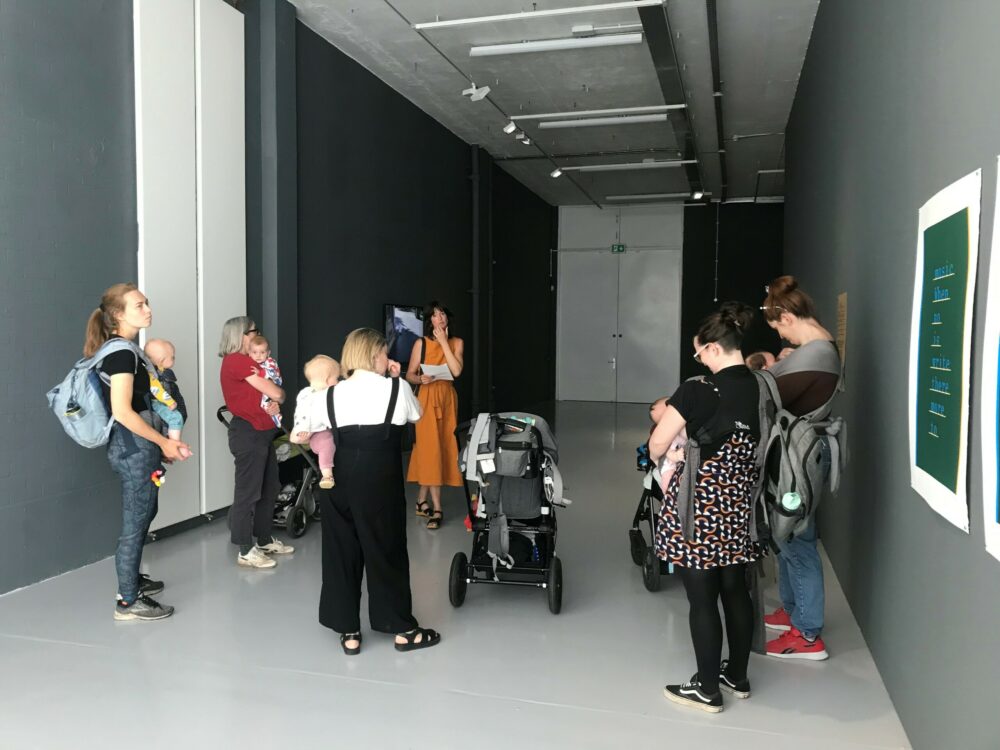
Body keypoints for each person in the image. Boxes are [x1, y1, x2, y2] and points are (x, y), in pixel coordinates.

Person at [649, 302, 763, 713]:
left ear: (713, 349)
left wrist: (667, 454)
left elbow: (658, 443)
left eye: (698, 353)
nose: (698, 360)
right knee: (736, 589)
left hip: (699, 508)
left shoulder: (697, 389)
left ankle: (707, 689)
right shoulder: (760, 385)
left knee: (702, 598)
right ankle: (737, 674)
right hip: (740, 506)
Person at [309, 328, 441, 655]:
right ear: (373, 356)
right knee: (386, 550)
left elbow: (312, 425)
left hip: (338, 478)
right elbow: (416, 414)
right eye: (385, 353)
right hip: (380, 479)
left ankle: (349, 631)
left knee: (341, 552)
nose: (390, 359)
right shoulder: (396, 389)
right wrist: (398, 379)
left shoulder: (330, 393)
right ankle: (401, 629)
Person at [85, 284, 192, 621]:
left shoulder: (126, 350)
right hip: (135, 451)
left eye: (147, 303)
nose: (147, 309)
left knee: (146, 510)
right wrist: (164, 442)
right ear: (118, 315)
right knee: (135, 521)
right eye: (139, 305)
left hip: (138, 450)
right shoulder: (121, 354)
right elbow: (124, 410)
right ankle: (128, 601)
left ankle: (132, 581)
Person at [759, 275, 841, 661]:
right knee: (787, 536)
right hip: (798, 451)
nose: (780, 337)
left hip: (801, 457)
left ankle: (808, 634)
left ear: (788, 316)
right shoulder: (816, 348)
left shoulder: (816, 353)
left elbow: (768, 394)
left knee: (797, 539)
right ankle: (794, 612)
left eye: (778, 327)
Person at [219, 317, 294, 569]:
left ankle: (262, 539)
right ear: (241, 336)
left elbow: (280, 394)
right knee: (248, 491)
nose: (258, 335)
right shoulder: (236, 360)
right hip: (248, 432)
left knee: (270, 486)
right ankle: (244, 548)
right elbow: (276, 392)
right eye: (254, 332)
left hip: (262, 432)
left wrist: (277, 397)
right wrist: (277, 396)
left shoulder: (255, 362)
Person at [404, 301, 464, 530]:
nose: (440, 318)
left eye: (443, 314)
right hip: (427, 398)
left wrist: (443, 343)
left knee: (443, 447)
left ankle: (421, 501)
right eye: (436, 315)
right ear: (429, 320)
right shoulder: (420, 343)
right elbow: (410, 374)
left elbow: (456, 371)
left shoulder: (457, 343)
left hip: (447, 399)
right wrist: (420, 379)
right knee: (430, 449)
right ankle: (437, 508)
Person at [291, 355, 341, 489]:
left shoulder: (320, 392)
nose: (337, 382)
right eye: (336, 378)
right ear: (327, 380)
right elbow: (301, 413)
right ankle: (327, 474)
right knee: (327, 444)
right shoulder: (309, 395)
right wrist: (303, 429)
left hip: (322, 428)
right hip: (316, 433)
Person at [143, 339, 189, 449]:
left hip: (162, 402)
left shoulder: (161, 370)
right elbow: (156, 390)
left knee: (173, 420)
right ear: (161, 360)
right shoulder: (153, 374)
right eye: (172, 357)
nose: (174, 359)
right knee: (175, 418)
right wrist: (170, 402)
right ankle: (174, 446)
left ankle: (171, 443)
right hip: (157, 402)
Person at [649, 396, 686, 491]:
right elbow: (667, 453)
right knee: (667, 480)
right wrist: (676, 456)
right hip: (669, 464)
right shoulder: (667, 435)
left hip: (685, 460)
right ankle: (669, 496)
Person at [248, 334, 283, 429]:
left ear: (268, 353)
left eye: (262, 352)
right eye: (255, 352)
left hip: (273, 384)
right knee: (263, 404)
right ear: (249, 353)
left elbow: (273, 373)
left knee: (268, 404)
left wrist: (260, 372)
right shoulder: (251, 363)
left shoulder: (270, 362)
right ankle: (273, 417)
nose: (258, 355)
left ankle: (276, 417)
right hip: (263, 388)